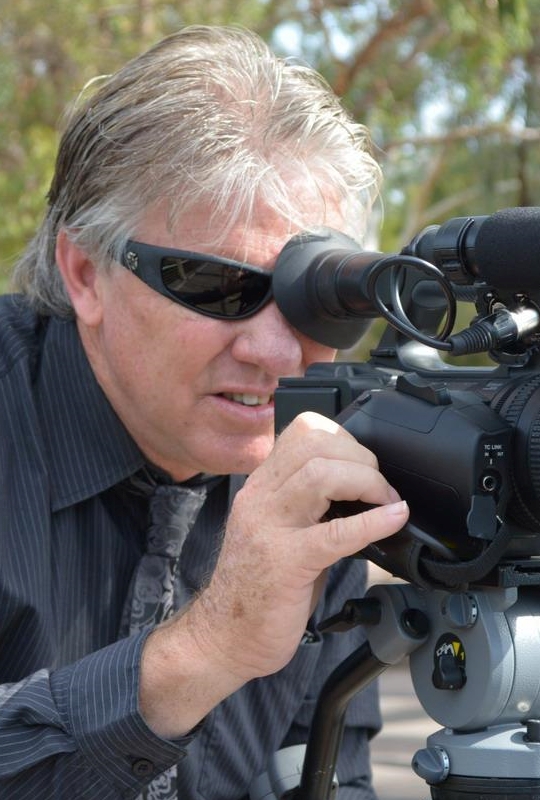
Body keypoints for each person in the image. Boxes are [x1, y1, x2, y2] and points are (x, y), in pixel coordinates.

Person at [0, 24, 409, 800]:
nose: (277, 352)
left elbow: (327, 778)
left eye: (317, 301)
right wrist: (206, 649)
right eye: (219, 288)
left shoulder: (318, 470)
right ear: (85, 272)